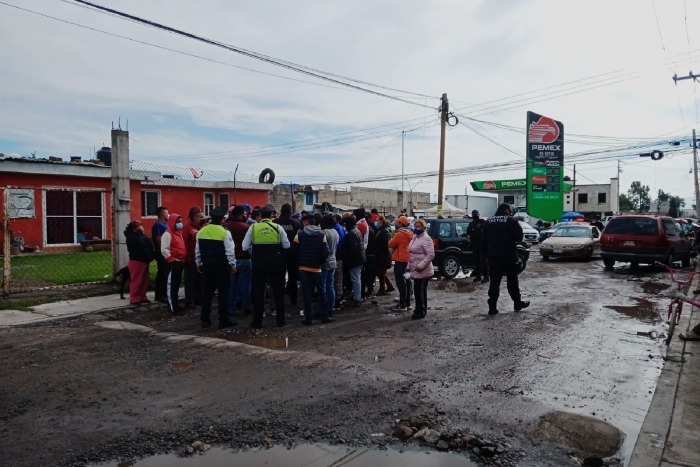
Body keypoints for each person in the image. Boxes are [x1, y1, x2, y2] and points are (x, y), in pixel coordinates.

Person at [242, 204, 290, 329]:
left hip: (259, 263)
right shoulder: (278, 227)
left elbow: (245, 246)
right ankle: (281, 320)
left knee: (258, 292)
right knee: (278, 292)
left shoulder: (253, 228)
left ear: (260, 216)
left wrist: (255, 251)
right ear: (271, 215)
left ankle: (257, 322)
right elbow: (287, 245)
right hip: (276, 263)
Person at [482, 203, 530, 315]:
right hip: (509, 255)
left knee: (494, 282)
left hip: (493, 256)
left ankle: (492, 307)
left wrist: (485, 255)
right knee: (512, 280)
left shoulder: (488, 221)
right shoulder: (511, 220)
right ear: (507, 210)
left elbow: (483, 240)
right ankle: (517, 303)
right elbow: (519, 237)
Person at [195, 206, 237, 329]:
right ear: (222, 219)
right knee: (223, 293)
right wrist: (233, 265)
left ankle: (205, 319)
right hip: (221, 267)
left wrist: (198, 263)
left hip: (207, 266)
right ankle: (223, 319)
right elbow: (230, 251)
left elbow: (197, 251)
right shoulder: (224, 232)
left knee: (207, 293)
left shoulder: (201, 231)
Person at [295, 215, 332, 325]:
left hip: (303, 268)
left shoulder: (299, 235)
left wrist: (299, 261)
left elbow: (293, 251)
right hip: (316, 268)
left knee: (306, 293)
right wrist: (319, 262)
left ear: (306, 222)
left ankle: (308, 318)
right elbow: (326, 252)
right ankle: (324, 316)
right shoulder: (321, 235)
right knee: (321, 291)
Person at [225, 205, 252, 316]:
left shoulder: (225, 226)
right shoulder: (246, 227)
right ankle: (245, 306)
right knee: (245, 284)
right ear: (241, 215)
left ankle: (230, 308)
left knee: (231, 285)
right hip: (244, 258)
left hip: (230, 259)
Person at [274, 203, 303, 306]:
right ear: (290, 212)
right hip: (293, 254)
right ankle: (293, 299)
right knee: (293, 277)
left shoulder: (274, 223)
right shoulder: (296, 223)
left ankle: (279, 300)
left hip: (278, 254)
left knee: (279, 278)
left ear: (281, 211)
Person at [408, 219, 435, 320]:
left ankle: (421, 311)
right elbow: (411, 254)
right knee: (417, 291)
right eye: (415, 226)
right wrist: (408, 267)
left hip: (423, 270)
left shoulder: (426, 239)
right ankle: (418, 309)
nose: (416, 228)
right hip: (415, 268)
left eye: (419, 226)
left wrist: (421, 266)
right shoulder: (415, 237)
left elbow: (431, 255)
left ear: (424, 228)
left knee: (420, 291)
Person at [160, 212, 186, 315]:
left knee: (176, 285)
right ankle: (173, 308)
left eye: (180, 221)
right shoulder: (168, 233)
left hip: (180, 261)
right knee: (171, 285)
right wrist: (170, 258)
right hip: (173, 262)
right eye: (178, 222)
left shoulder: (179, 233)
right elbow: (164, 249)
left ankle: (176, 305)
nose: (180, 223)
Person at [124, 220, 154, 307]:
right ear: (135, 229)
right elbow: (138, 242)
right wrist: (140, 233)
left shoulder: (141, 236)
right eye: (139, 227)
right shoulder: (131, 237)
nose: (142, 228)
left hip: (144, 260)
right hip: (136, 260)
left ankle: (142, 296)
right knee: (136, 280)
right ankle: (134, 299)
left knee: (144, 280)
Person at [388, 216, 414, 312]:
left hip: (400, 260)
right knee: (407, 281)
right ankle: (407, 303)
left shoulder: (400, 234)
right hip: (408, 260)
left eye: (397, 223)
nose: (396, 224)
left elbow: (390, 244)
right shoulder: (410, 232)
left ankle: (402, 304)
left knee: (400, 282)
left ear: (400, 224)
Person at [182, 207, 204, 309]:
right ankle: (189, 300)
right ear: (195, 218)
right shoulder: (188, 227)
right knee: (190, 280)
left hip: (199, 257)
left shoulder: (200, 227)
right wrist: (187, 255)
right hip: (190, 258)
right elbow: (185, 242)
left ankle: (198, 298)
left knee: (199, 279)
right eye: (201, 217)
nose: (203, 218)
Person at [343, 215, 366, 307]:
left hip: (355, 260)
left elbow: (352, 249)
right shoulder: (356, 230)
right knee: (357, 278)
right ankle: (357, 296)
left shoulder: (351, 233)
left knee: (355, 279)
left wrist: (348, 260)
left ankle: (357, 299)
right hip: (360, 258)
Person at [320, 215, 340, 318]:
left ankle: (323, 309)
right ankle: (331, 308)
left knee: (322, 287)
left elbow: (322, 249)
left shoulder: (323, 233)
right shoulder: (335, 232)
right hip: (333, 261)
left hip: (324, 262)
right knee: (330, 286)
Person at [152, 206, 169, 303]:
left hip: (167, 252)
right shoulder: (158, 225)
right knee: (162, 273)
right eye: (167, 213)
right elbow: (158, 239)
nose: (168, 215)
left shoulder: (165, 224)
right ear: (163, 214)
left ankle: (165, 293)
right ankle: (159, 295)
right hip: (162, 252)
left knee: (166, 273)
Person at [467, 210, 489, 284]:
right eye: (474, 215)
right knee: (476, 261)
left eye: (476, 214)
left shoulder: (483, 222)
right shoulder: (471, 224)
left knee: (483, 261)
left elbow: (487, 232)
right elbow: (468, 233)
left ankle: (486, 276)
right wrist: (469, 236)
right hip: (474, 244)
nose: (475, 216)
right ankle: (478, 276)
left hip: (482, 244)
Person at [374, 215, 395, 295]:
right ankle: (389, 286)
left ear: (381, 221)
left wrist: (377, 250)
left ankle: (382, 289)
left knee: (381, 272)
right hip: (383, 254)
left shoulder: (384, 231)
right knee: (381, 272)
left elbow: (383, 244)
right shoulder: (383, 230)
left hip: (383, 255)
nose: (376, 222)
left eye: (377, 220)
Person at [362, 214, 377, 299]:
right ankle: (370, 290)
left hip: (369, 255)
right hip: (371, 254)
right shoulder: (370, 228)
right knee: (368, 274)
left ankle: (370, 291)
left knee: (368, 274)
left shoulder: (368, 230)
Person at [333, 214, 346, 309]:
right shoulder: (340, 229)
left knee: (334, 281)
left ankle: (336, 300)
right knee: (338, 280)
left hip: (336, 257)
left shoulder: (335, 230)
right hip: (340, 257)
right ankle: (339, 298)